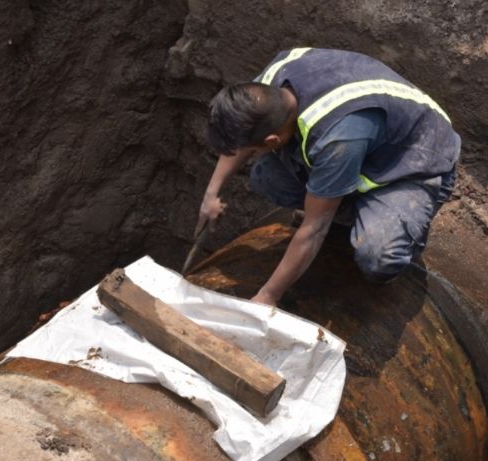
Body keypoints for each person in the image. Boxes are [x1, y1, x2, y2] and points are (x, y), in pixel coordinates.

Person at [197, 47, 461, 307]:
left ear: (272, 139)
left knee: (378, 256)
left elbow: (314, 229)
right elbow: (242, 138)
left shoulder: (338, 139)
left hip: (412, 163)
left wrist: (268, 296)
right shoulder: (265, 89)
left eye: (255, 148)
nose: (250, 152)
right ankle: (341, 207)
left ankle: (392, 234)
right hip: (367, 142)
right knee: (267, 176)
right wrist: (212, 194)